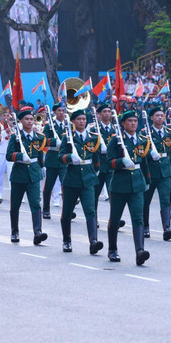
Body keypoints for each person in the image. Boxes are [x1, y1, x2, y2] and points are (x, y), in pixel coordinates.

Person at [106, 110, 152, 265]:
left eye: (135, 121)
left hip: (137, 183)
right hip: (120, 183)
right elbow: (109, 162)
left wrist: (147, 180)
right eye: (130, 121)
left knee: (138, 218)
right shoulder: (116, 140)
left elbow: (144, 161)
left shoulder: (142, 140)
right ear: (123, 124)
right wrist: (121, 162)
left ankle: (139, 251)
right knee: (115, 219)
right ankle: (112, 250)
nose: (133, 123)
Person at [58, 108, 104, 254]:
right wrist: (70, 158)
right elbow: (61, 157)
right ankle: (66, 240)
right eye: (79, 119)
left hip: (88, 179)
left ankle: (93, 241)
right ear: (73, 121)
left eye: (84, 119)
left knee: (90, 210)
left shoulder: (93, 137)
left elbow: (96, 156)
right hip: (72, 178)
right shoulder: (68, 137)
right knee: (67, 212)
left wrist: (95, 170)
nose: (82, 122)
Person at [6, 105, 49, 246]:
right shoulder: (15, 137)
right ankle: (14, 231)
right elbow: (8, 155)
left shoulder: (39, 136)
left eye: (31, 119)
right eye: (27, 119)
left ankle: (37, 232)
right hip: (19, 174)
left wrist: (42, 167)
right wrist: (19, 156)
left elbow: (40, 153)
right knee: (15, 205)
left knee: (35, 204)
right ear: (21, 121)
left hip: (34, 174)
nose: (30, 121)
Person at [142, 106, 171, 241]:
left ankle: (167, 228)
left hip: (165, 170)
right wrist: (149, 153)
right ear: (151, 118)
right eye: (157, 115)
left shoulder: (169, 132)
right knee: (146, 201)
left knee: (165, 199)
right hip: (150, 171)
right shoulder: (145, 132)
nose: (160, 118)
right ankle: (145, 226)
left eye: (162, 115)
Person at [42, 103, 67, 218]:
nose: (61, 113)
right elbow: (44, 140)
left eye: (63, 110)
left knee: (66, 185)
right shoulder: (49, 125)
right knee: (48, 186)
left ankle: (67, 211)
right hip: (52, 159)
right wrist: (54, 142)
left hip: (64, 160)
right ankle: (46, 210)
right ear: (55, 112)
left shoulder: (68, 125)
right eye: (59, 110)